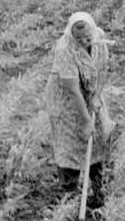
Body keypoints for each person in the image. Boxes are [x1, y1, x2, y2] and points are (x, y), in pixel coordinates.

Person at [44, 12, 115, 207]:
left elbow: (103, 70)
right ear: (72, 34)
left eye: (87, 37)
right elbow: (73, 91)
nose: (84, 41)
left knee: (98, 135)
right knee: (70, 142)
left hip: (90, 91)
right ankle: (71, 193)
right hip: (66, 98)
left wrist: (97, 95)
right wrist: (85, 121)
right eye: (79, 38)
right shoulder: (65, 48)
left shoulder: (99, 39)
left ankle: (97, 188)